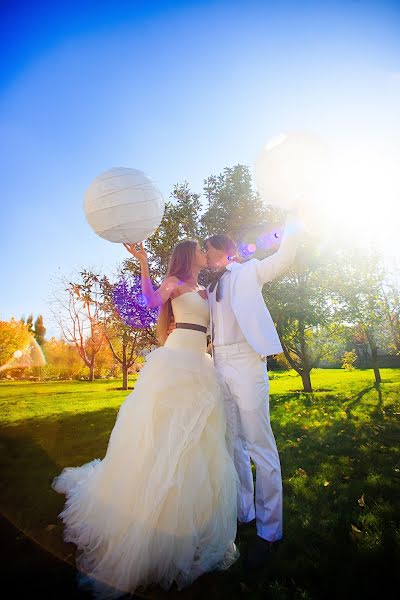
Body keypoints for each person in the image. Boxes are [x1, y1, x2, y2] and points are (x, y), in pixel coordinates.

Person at [52, 240, 239, 599]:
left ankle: (193, 514)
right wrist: (143, 261)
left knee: (200, 439)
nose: (204, 251)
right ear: (188, 255)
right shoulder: (175, 282)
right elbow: (152, 301)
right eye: (199, 248)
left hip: (201, 364)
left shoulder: (206, 288)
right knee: (164, 434)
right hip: (175, 363)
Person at [202, 211, 302, 571]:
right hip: (219, 363)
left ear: (224, 252)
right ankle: (244, 512)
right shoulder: (207, 287)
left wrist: (293, 222)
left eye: (209, 251)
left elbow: (285, 258)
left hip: (247, 359)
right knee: (233, 442)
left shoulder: (248, 272)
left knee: (260, 444)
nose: (205, 256)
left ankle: (270, 532)